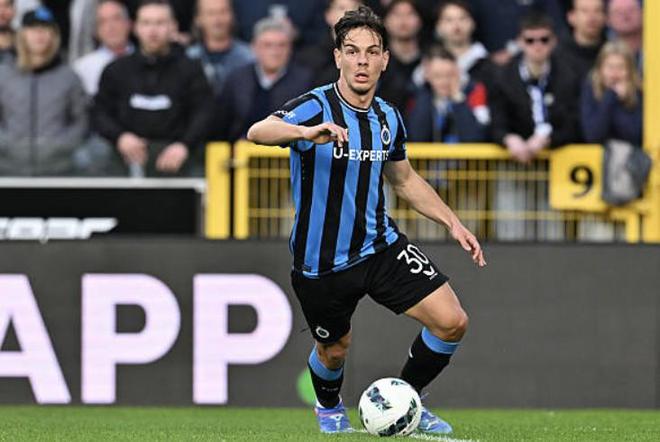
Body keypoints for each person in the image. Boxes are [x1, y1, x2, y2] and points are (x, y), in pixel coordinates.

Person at [246, 5, 485, 435]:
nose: (362, 61)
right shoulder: (315, 106)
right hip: (321, 260)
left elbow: (404, 179)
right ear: (338, 56)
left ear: (385, 60)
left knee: (452, 321)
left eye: (372, 52)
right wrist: (303, 133)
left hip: (379, 245)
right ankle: (328, 405)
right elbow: (258, 131)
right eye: (352, 51)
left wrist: (452, 222)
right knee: (335, 350)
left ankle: (407, 402)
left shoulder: (389, 117)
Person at [93, 0, 212, 177]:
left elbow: (204, 113)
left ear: (173, 27)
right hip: (124, 160)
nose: (153, 31)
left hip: (180, 159)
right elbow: (100, 112)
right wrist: (120, 137)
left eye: (160, 23)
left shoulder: (191, 70)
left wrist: (184, 145)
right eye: (146, 23)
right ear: (135, 27)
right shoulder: (115, 70)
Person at [0, 6, 87, 176]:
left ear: (54, 36)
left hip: (58, 170)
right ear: (22, 34)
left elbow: (81, 121)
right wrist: (8, 144)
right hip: (8, 170)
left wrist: (59, 146)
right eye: (33, 28)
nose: (39, 34)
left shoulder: (69, 77)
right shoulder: (4, 75)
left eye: (45, 29)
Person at [215, 17, 312, 142]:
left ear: (290, 49)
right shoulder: (237, 79)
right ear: (254, 47)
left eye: (281, 45)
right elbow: (221, 125)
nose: (275, 52)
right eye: (267, 45)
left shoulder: (305, 81)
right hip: (240, 149)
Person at [408, 45, 489, 143]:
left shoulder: (475, 91)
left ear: (458, 73)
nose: (444, 81)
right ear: (427, 75)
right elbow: (417, 136)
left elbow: (474, 138)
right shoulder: (417, 94)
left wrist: (458, 99)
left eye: (449, 75)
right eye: (438, 76)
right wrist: (425, 93)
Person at [186, 0, 254, 97]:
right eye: (211, 13)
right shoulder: (189, 58)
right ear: (198, 19)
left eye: (223, 12)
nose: (217, 19)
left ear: (232, 16)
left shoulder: (249, 58)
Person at [581, 40, 642, 145]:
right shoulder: (590, 88)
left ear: (630, 71)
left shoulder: (638, 92)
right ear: (600, 69)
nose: (615, 74)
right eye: (610, 67)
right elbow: (593, 135)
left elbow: (634, 134)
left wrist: (618, 99)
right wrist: (611, 96)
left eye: (621, 67)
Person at [73, 0, 133, 96]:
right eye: (103, 22)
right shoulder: (82, 68)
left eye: (116, 19)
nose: (111, 27)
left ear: (129, 24)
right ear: (96, 30)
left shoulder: (146, 59)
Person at [296, 0, 361, 88]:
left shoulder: (373, 56)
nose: (350, 14)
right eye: (342, 8)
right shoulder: (308, 59)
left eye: (355, 10)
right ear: (329, 16)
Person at [433, 0, 495, 88]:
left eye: (462, 19)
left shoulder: (489, 66)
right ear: (438, 26)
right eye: (449, 20)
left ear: (473, 23)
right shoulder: (425, 69)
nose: (456, 26)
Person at [378, 0, 423, 111]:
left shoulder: (429, 61)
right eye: (396, 14)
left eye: (409, 14)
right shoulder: (376, 61)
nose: (403, 20)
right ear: (385, 21)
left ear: (420, 21)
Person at [554, 0, 607, 81]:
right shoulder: (556, 57)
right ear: (571, 17)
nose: (592, 17)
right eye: (584, 11)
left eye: (597, 11)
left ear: (605, 17)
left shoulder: (613, 53)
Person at [606, 0, 642, 70]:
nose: (625, 15)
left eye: (631, 10)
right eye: (618, 12)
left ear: (642, 14)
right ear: (608, 19)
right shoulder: (600, 52)